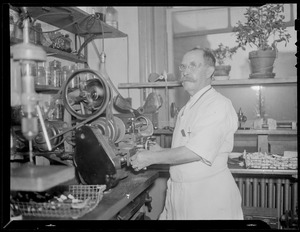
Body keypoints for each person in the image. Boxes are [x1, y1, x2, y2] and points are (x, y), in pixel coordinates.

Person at [130, 47, 243, 220]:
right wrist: (158, 150)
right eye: (183, 67)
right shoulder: (187, 108)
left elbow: (195, 151)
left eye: (193, 66)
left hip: (207, 196)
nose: (185, 72)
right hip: (180, 191)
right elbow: (185, 147)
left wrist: (151, 158)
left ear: (209, 71)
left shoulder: (218, 105)